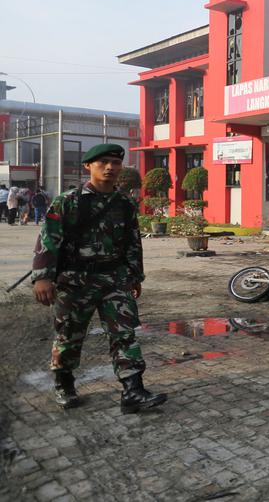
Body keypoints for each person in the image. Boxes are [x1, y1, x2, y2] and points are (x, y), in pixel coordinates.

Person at [30, 143, 167, 413]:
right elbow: (48, 239)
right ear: (88, 166)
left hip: (114, 279)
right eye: (103, 162)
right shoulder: (68, 201)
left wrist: (134, 275)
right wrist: (42, 278)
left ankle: (133, 390)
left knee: (124, 334)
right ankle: (64, 383)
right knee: (69, 334)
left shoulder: (125, 203)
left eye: (115, 163)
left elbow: (132, 242)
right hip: (75, 281)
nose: (110, 168)